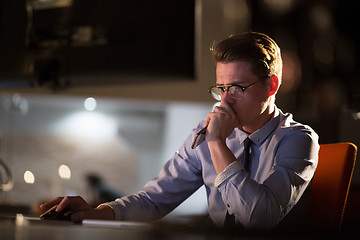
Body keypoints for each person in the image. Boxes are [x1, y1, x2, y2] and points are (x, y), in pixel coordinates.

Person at [40, 32, 319, 229]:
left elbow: (259, 220)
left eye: (237, 88)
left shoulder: (297, 140)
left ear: (272, 86)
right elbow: (155, 198)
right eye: (221, 88)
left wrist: (218, 145)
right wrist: (97, 213)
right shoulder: (210, 131)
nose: (225, 100)